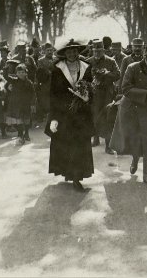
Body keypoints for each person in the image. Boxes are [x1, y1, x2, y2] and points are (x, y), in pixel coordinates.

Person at [110, 43, 147, 187]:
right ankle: (135, 160)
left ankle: (146, 175)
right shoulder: (132, 68)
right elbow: (125, 89)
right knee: (133, 139)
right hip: (130, 109)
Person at [45, 39, 94, 191]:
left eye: (75, 50)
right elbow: (53, 94)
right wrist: (53, 117)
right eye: (69, 51)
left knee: (80, 144)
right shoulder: (57, 69)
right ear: (64, 53)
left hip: (81, 114)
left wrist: (87, 96)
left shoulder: (86, 67)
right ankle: (70, 173)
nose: (72, 53)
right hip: (63, 114)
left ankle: (77, 177)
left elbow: (91, 87)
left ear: (78, 51)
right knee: (67, 144)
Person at [86, 40, 120, 152]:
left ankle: (108, 145)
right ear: (92, 50)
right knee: (94, 116)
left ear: (103, 50)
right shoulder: (88, 61)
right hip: (94, 94)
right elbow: (82, 78)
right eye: (95, 51)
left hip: (107, 94)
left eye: (99, 51)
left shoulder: (111, 61)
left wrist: (106, 73)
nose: (97, 53)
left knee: (108, 117)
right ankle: (95, 139)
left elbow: (118, 75)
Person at [5, 64, 35, 144]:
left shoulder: (29, 83)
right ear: (16, 74)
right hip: (17, 104)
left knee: (26, 120)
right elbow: (6, 77)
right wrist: (6, 69)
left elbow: (33, 94)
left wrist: (32, 104)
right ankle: (21, 135)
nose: (21, 74)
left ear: (26, 73)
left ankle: (27, 133)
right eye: (19, 72)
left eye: (22, 72)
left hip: (26, 104)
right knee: (18, 121)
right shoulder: (14, 81)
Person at [35, 43, 56, 122]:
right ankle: (46, 117)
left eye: (51, 50)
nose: (50, 52)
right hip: (46, 84)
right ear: (44, 51)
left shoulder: (56, 59)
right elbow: (40, 73)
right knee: (46, 101)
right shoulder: (41, 60)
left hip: (56, 84)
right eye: (48, 50)